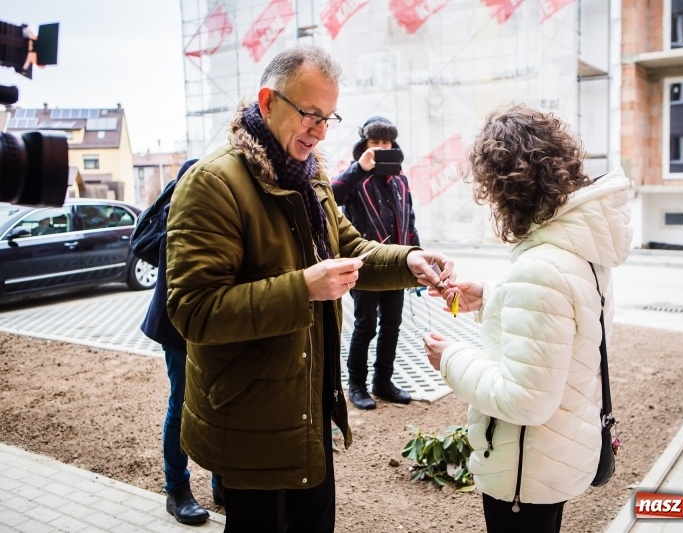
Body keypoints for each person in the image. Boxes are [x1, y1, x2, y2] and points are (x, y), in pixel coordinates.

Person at [164, 44, 453, 532]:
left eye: (328, 118)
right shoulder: (213, 183)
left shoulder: (312, 176)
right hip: (250, 419)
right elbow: (194, 310)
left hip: (309, 405)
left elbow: (352, 247)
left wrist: (410, 259)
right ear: (267, 101)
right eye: (309, 114)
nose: (319, 130)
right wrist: (301, 289)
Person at [422, 105, 632, 533]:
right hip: (557, 453)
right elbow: (571, 321)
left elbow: (524, 400)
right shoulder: (581, 250)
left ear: (505, 189)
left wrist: (450, 358)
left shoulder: (539, 268)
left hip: (525, 471)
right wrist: (495, 298)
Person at [139, 159, 223, 525]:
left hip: (220, 325)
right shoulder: (183, 204)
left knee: (222, 404)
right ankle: (177, 490)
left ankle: (223, 483)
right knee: (183, 404)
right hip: (178, 326)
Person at [331, 116, 420, 410]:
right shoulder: (356, 178)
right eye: (376, 142)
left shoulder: (400, 180)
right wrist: (360, 168)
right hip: (366, 266)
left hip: (396, 264)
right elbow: (332, 195)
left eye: (387, 142)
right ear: (365, 145)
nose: (382, 147)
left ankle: (383, 381)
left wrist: (416, 257)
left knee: (392, 324)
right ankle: (356, 385)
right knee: (365, 325)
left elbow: (409, 221)